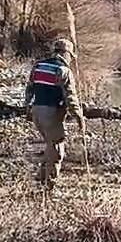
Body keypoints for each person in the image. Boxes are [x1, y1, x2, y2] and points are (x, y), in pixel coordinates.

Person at [24, 38, 85, 189]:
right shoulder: (64, 71)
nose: (70, 59)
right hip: (51, 113)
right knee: (57, 149)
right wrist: (79, 117)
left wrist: (27, 108)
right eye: (70, 56)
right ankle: (49, 185)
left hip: (36, 111)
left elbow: (29, 89)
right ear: (66, 54)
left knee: (50, 145)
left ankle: (41, 177)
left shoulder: (38, 66)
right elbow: (71, 98)